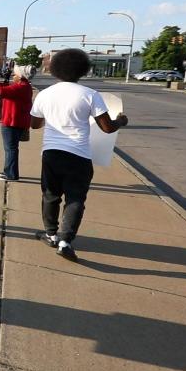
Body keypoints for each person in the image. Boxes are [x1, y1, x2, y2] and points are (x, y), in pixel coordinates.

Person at [30, 49, 129, 261]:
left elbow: (35, 125)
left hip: (51, 153)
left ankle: (50, 234)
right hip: (79, 155)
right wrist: (121, 120)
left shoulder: (45, 94)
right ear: (82, 70)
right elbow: (108, 128)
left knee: (50, 195)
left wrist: (53, 116)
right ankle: (65, 241)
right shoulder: (90, 95)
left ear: (55, 69)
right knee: (75, 198)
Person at [0, 64, 35, 182]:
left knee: (11, 149)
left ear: (20, 77)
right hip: (16, 122)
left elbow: (1, 91)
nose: (13, 76)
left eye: (15, 74)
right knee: (11, 149)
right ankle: (9, 171)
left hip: (12, 123)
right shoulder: (23, 86)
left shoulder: (20, 87)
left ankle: (11, 174)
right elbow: (4, 86)